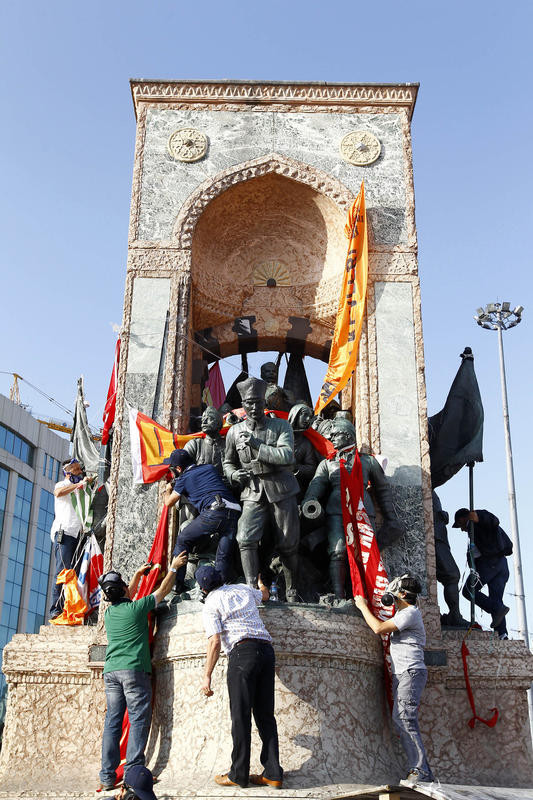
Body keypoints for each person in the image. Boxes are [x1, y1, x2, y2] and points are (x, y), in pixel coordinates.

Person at [98, 551, 188, 791]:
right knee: (138, 719)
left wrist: (137, 576)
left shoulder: (110, 613)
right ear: (124, 591)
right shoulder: (137, 608)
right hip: (134, 670)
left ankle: (107, 776)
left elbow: (125, 595)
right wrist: (174, 568)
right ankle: (133, 772)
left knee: (112, 723)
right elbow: (164, 590)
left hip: (111, 672)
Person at [198, 565, 283, 789]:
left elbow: (214, 641)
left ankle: (238, 774)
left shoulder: (210, 604)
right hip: (266, 651)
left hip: (242, 654)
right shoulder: (242, 589)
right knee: (266, 715)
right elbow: (263, 595)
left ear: (203, 589)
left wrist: (206, 675)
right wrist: (262, 582)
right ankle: (273, 773)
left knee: (241, 715)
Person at [303, 419, 403, 599]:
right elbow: (316, 485)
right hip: (337, 511)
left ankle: (366, 595)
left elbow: (382, 490)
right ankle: (340, 596)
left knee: (365, 553)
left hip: (363, 511)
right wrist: (309, 501)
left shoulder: (368, 461)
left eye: (335, 435)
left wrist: (390, 517)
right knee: (338, 551)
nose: (331, 439)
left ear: (348, 435)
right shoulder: (327, 463)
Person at [223, 376, 300, 600]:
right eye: (249, 403)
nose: (254, 407)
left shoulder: (281, 426)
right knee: (245, 538)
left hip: (281, 488)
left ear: (264, 403)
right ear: (243, 406)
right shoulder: (234, 432)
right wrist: (234, 474)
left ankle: (292, 590)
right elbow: (227, 462)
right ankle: (251, 588)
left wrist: (256, 444)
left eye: (258, 402)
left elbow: (286, 456)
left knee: (288, 544)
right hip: (252, 491)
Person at [355, 575, 435, 786]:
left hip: (410, 671)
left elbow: (379, 629)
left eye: (394, 592)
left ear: (401, 594)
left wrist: (363, 607)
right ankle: (423, 769)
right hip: (403, 673)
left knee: (405, 719)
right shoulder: (404, 613)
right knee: (402, 719)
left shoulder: (409, 613)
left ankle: (421, 770)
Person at [163, 449, 240, 592]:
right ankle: (218, 590)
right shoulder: (209, 467)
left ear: (179, 469)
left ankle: (177, 584)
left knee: (183, 539)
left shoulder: (183, 479)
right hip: (234, 510)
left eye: (172, 469)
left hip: (214, 512)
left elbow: (168, 503)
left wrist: (168, 489)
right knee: (222, 556)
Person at [452, 507, 511, 639]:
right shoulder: (474, 531)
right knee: (496, 600)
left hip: (490, 564)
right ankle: (502, 634)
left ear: (462, 518)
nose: (462, 529)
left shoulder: (477, 519)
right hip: (501, 565)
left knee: (468, 590)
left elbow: (494, 521)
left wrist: (479, 518)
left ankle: (497, 610)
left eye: (460, 525)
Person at [49, 458, 92, 620]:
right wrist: (79, 485)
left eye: (80, 470)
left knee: (76, 572)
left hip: (78, 534)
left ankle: (72, 606)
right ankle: (56, 608)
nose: (80, 473)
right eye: (77, 470)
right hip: (64, 532)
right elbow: (58, 493)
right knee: (63, 571)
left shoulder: (80, 490)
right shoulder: (62, 485)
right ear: (68, 472)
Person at [433, 492, 467, 627]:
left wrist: (442, 516)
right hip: (434, 538)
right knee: (451, 575)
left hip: (438, 537)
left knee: (451, 576)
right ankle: (454, 615)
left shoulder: (432, 489)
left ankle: (454, 614)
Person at [184, 406, 226, 477]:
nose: (204, 422)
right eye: (203, 418)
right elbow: (182, 469)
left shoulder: (227, 445)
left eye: (209, 418)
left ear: (219, 423)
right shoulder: (195, 445)